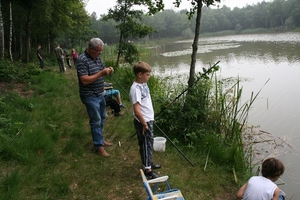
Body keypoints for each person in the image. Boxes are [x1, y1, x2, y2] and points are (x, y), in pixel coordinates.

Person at [76, 38, 114, 158]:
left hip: (100, 93)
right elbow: (84, 80)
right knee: (96, 121)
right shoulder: (82, 60)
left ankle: (100, 139)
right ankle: (98, 146)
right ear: (91, 49)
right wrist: (102, 73)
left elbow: (101, 69)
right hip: (89, 95)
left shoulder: (97, 57)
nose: (100, 53)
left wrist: (108, 70)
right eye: (98, 51)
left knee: (103, 116)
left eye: (101, 51)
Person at [129, 61, 161, 179]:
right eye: (147, 75)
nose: (149, 77)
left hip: (148, 119)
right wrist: (144, 124)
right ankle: (148, 170)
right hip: (144, 121)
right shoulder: (135, 89)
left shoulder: (143, 84)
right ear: (140, 74)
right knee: (147, 144)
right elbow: (137, 110)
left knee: (147, 143)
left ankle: (148, 162)